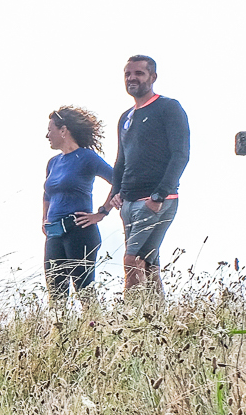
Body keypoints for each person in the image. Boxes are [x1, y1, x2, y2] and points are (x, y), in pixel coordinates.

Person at [104, 54, 190, 292]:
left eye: (139, 73)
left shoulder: (168, 108)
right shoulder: (126, 117)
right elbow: (121, 160)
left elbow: (180, 154)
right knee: (148, 264)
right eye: (128, 74)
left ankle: (131, 318)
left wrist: (159, 195)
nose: (132, 78)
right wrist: (116, 193)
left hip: (156, 200)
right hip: (129, 202)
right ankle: (159, 320)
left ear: (152, 77)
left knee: (131, 262)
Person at [41, 106, 114, 299]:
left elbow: (118, 181)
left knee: (84, 291)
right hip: (54, 232)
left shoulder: (87, 157)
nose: (47, 135)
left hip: (80, 230)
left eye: (50, 130)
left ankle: (94, 327)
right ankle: (60, 329)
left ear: (63, 130)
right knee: (55, 294)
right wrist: (44, 219)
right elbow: (47, 193)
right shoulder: (53, 163)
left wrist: (102, 212)